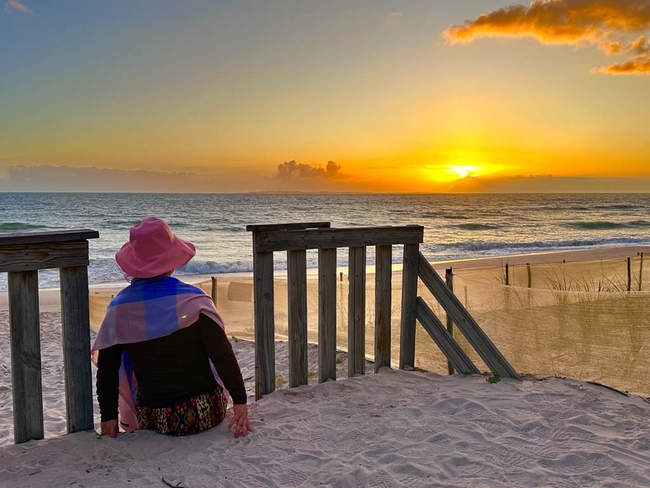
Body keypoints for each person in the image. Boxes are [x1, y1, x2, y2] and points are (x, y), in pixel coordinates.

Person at [92, 217, 253, 439]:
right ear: (171, 260)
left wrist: (108, 416)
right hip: (205, 411)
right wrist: (240, 403)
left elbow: (107, 369)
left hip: (154, 418)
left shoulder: (119, 309)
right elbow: (222, 355)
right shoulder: (194, 301)